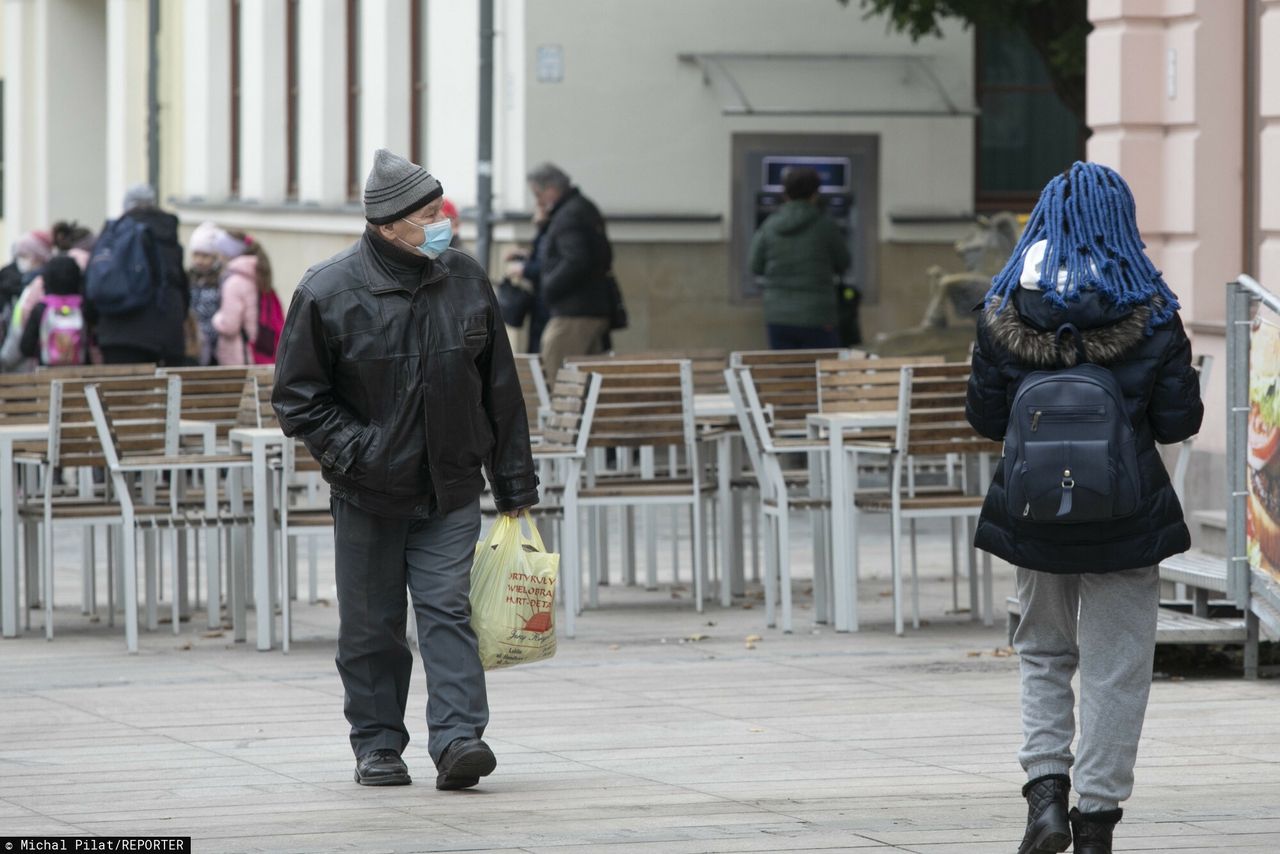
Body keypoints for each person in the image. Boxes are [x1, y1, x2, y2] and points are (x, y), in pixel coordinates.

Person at [272, 149, 538, 791]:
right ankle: (378, 746)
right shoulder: (328, 290)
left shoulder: (466, 279)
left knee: (448, 608)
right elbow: (298, 398)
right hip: (368, 493)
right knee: (372, 626)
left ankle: (458, 740)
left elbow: (499, 389)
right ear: (390, 225)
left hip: (449, 486)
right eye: (429, 214)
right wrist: (360, 454)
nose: (443, 222)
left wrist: (513, 487)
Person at [965, 162, 1203, 854]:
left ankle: (1045, 798)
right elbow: (1179, 420)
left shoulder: (1005, 308)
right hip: (1127, 521)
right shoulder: (1152, 310)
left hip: (1033, 520)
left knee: (1042, 651)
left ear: (1044, 221)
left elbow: (984, 417)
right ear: (1119, 222)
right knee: (1117, 664)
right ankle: (1095, 819)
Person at [524, 163, 613, 378]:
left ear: (552, 190)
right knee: (584, 384)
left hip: (573, 313)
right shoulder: (581, 208)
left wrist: (548, 288)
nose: (537, 202)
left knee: (558, 379)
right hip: (590, 308)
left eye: (538, 194)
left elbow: (576, 259)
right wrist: (543, 227)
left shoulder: (568, 215)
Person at [748, 167, 850, 350]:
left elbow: (755, 265)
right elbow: (844, 262)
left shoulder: (769, 226)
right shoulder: (826, 226)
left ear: (785, 194)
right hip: (819, 314)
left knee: (788, 373)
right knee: (820, 372)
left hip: (779, 315)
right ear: (815, 194)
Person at [90, 184, 190, 365]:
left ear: (127, 206)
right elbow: (181, 287)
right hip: (165, 334)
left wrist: (95, 325)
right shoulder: (168, 235)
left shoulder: (113, 234)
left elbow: (94, 282)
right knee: (164, 392)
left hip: (116, 334)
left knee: (122, 391)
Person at [187, 221, 246, 366]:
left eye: (205, 256)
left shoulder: (222, 280)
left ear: (215, 257)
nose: (199, 261)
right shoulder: (188, 278)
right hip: (193, 345)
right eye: (196, 255)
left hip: (216, 348)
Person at [18, 255, 91, 366]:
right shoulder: (85, 308)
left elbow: (26, 348)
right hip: (80, 374)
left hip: (47, 376)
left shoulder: (41, 309)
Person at [210, 229, 268, 367]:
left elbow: (230, 326)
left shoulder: (234, 283)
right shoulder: (255, 275)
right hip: (255, 351)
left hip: (237, 355)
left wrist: (216, 319)